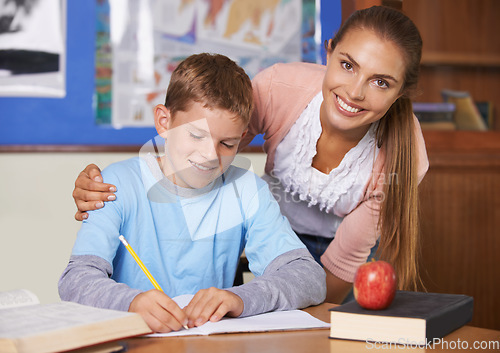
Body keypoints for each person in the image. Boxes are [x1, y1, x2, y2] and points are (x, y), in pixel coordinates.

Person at [71, 6, 429, 304]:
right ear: (329, 52)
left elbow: (320, 276)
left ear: (401, 92)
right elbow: (208, 132)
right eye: (348, 65)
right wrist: (110, 179)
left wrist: (245, 298)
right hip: (276, 227)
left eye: (381, 81)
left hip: (331, 255)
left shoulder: (400, 153)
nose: (355, 91)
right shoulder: (276, 91)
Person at [59, 53, 326, 333]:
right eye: (196, 135)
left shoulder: (247, 191)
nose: (210, 156)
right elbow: (76, 279)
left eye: (227, 143)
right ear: (164, 122)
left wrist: (241, 297)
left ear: (242, 137)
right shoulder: (116, 184)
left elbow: (308, 277)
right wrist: (131, 302)